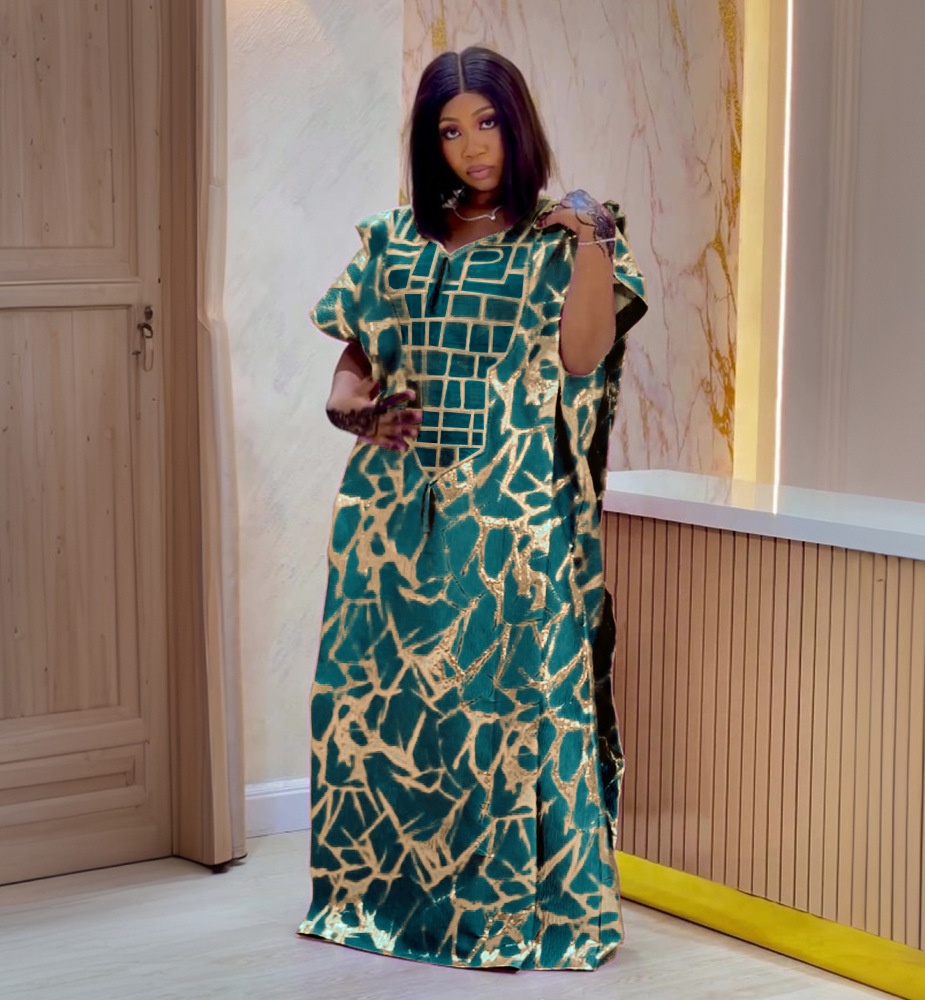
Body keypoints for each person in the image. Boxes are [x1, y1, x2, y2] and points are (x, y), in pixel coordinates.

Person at [298, 45, 647, 971]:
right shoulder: (395, 240)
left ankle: (505, 912)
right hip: (388, 518)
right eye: (449, 131)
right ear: (430, 143)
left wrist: (591, 241)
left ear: (516, 122)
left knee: (503, 718)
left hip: (507, 522)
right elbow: (349, 372)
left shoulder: (560, 239)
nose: (472, 146)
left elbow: (582, 357)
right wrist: (358, 413)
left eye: (486, 122)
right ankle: (382, 902)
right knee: (384, 716)